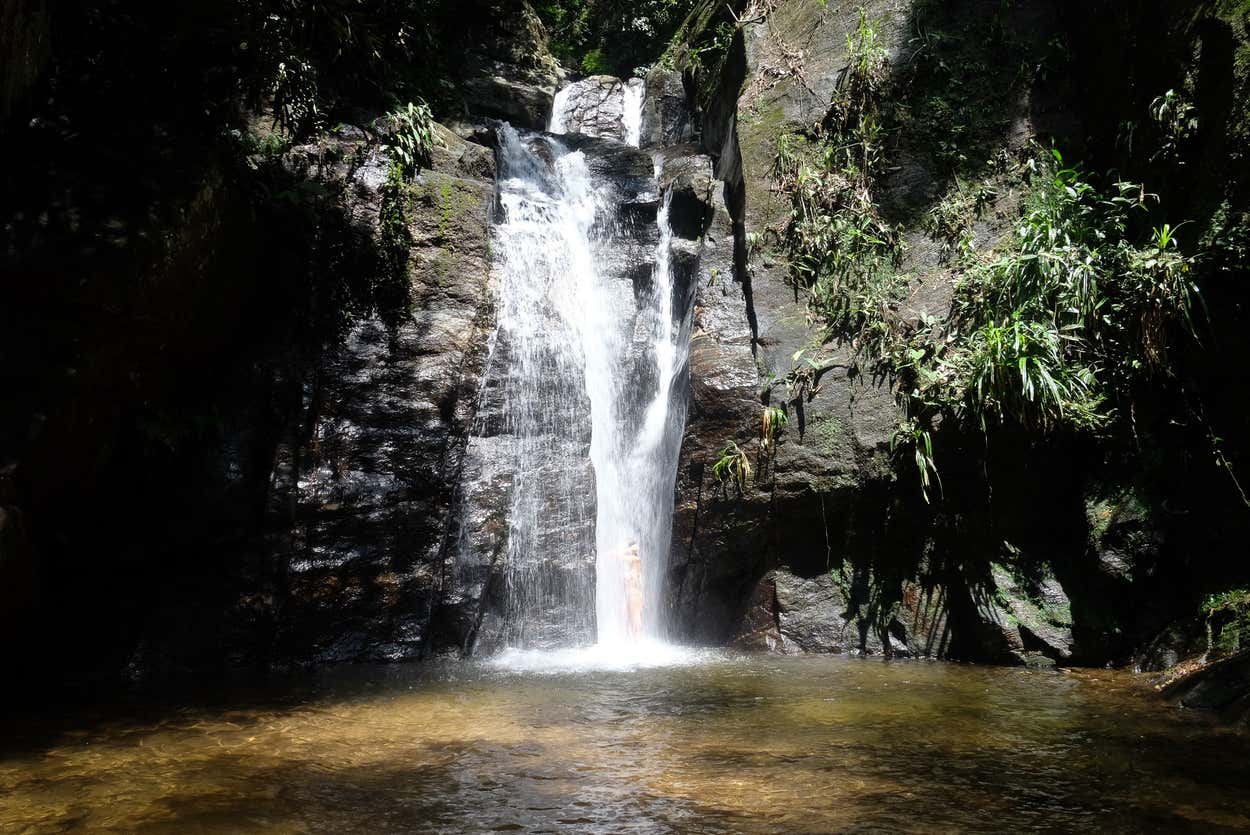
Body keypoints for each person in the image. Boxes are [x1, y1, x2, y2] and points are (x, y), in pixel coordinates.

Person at [617, 540, 644, 640]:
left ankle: (638, 642)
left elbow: (620, 556)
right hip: (629, 595)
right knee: (627, 621)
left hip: (634, 594)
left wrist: (629, 549)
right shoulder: (632, 565)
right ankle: (632, 645)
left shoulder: (636, 559)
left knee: (635, 619)